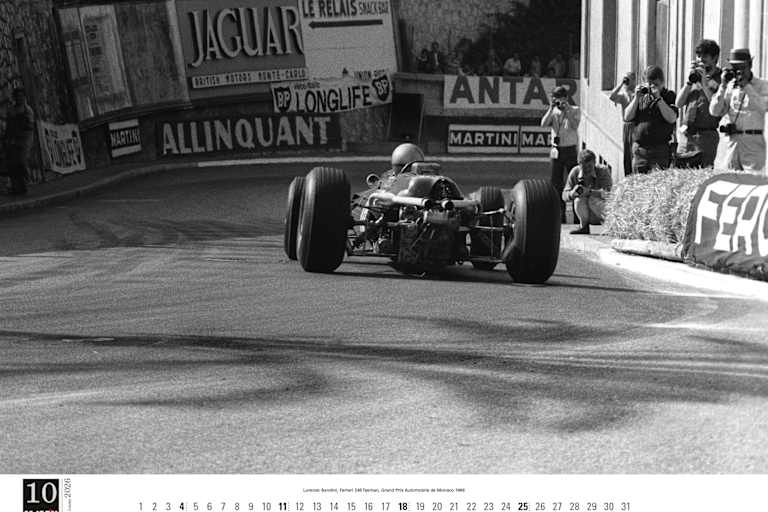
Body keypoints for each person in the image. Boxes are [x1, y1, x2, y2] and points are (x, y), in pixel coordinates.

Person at [709, 48, 768, 171]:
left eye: (742, 67)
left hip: (753, 143)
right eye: (735, 68)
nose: (739, 71)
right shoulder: (729, 87)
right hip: (731, 143)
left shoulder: (763, 85)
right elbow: (715, 111)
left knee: (753, 183)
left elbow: (763, 106)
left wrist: (746, 87)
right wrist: (723, 86)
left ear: (750, 65)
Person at [675, 39, 722, 167]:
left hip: (706, 136)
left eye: (705, 56)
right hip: (686, 135)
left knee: (701, 177)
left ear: (715, 58)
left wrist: (704, 83)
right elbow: (678, 103)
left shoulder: (721, 79)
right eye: (699, 56)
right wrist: (689, 81)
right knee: (681, 176)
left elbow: (717, 105)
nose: (701, 59)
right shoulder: (694, 77)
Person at [624, 65, 678, 173]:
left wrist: (659, 98)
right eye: (649, 84)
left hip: (660, 150)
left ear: (662, 83)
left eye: (656, 84)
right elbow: (627, 117)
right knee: (639, 185)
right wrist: (636, 98)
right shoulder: (641, 96)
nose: (652, 88)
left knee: (657, 185)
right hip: (640, 150)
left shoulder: (668, 95)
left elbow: (672, 118)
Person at [541, 85, 580, 222]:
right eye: (556, 99)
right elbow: (543, 124)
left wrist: (567, 110)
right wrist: (551, 108)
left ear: (566, 98)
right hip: (556, 150)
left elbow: (575, 125)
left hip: (569, 149)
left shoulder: (575, 110)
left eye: (560, 99)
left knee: (574, 180)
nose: (559, 102)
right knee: (556, 182)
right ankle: (559, 215)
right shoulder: (553, 112)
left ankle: (576, 215)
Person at [563, 149, 612, 234]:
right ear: (579, 165)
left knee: (592, 200)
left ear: (594, 163)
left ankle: (610, 225)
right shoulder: (575, 172)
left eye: (590, 166)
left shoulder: (603, 171)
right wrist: (572, 194)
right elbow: (564, 195)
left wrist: (589, 192)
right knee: (578, 200)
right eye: (584, 167)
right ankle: (584, 226)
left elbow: (609, 194)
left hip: (602, 211)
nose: (587, 169)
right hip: (586, 213)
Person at [3, 88, 35, 196]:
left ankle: (27, 182)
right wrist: (7, 138)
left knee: (22, 160)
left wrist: (21, 126)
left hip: (25, 137)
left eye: (22, 96)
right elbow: (9, 126)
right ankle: (18, 187)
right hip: (15, 138)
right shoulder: (11, 110)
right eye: (17, 96)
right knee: (14, 162)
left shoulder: (28, 110)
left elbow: (30, 125)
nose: (20, 98)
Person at [609, 71, 636, 175]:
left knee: (634, 150)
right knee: (627, 152)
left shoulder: (636, 93)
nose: (627, 82)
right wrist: (621, 83)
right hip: (627, 125)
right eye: (626, 79)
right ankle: (628, 173)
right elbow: (612, 96)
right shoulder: (623, 96)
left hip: (635, 124)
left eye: (629, 79)